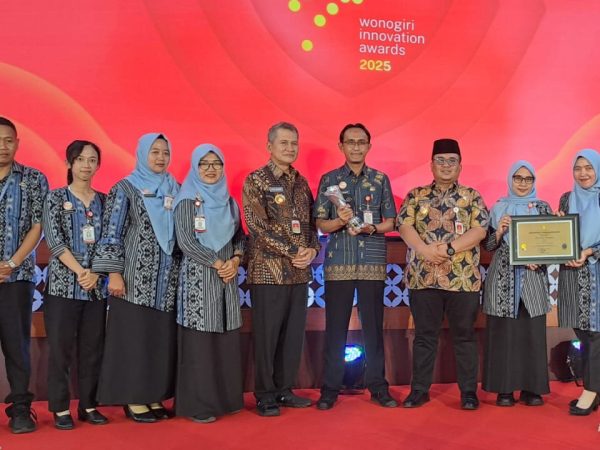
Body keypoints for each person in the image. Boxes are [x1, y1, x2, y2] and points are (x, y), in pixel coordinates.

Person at [93, 133, 180, 423]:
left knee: (159, 340)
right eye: (154, 152)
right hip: (133, 280)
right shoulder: (125, 188)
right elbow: (111, 233)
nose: (160, 157)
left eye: (165, 152)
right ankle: (134, 398)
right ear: (142, 154)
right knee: (134, 340)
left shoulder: (176, 188)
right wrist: (114, 273)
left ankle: (153, 395)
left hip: (167, 282)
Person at [397, 138, 488, 410]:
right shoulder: (416, 195)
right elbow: (404, 226)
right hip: (423, 278)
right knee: (424, 336)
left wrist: (449, 249)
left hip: (463, 278)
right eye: (441, 160)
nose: (446, 165)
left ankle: (468, 392)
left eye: (452, 161)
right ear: (431, 165)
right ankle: (419, 390)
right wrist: (424, 250)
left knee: (464, 336)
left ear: (460, 166)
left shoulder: (472, 196)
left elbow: (480, 230)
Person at [313, 123, 397, 410]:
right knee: (335, 328)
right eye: (350, 142)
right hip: (339, 262)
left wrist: (370, 228)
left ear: (369, 146)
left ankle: (378, 387)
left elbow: (391, 222)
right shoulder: (329, 180)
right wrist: (340, 220)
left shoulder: (380, 179)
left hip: (372, 261)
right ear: (341, 146)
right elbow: (320, 224)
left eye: (361, 142)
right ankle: (330, 389)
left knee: (373, 328)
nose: (356, 147)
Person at [242, 122, 320, 417]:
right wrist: (293, 251)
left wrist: (312, 250)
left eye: (294, 143)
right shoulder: (256, 180)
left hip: (299, 273)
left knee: (292, 336)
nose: (289, 148)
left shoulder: (301, 182)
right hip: (268, 272)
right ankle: (265, 395)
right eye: (284, 143)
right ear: (269, 146)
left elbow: (312, 224)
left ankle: (285, 389)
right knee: (267, 336)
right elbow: (257, 227)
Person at [173, 144, 245, 423]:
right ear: (195, 167)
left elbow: (239, 237)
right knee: (200, 343)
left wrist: (235, 260)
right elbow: (186, 241)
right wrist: (218, 263)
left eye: (216, 163)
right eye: (204, 164)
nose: (211, 169)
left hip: (227, 279)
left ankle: (226, 400)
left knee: (225, 337)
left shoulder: (229, 202)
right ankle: (199, 405)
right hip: (199, 279)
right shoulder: (186, 201)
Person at [42, 140, 109, 429]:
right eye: (80, 159)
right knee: (61, 350)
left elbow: (110, 242)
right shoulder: (55, 198)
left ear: (98, 165)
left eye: (92, 160)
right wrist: (82, 271)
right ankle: (60, 408)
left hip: (97, 288)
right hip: (62, 287)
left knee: (92, 349)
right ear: (69, 163)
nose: (86, 165)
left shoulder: (105, 201)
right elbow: (55, 241)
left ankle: (88, 405)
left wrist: (95, 273)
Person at [482, 161, 552, 407]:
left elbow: (551, 244)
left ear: (534, 181)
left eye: (528, 179)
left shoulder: (542, 207)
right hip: (503, 278)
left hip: (533, 278)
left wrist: (539, 260)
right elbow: (488, 246)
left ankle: (532, 390)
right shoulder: (498, 207)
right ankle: (505, 390)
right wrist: (499, 232)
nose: (523, 183)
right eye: (518, 178)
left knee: (532, 333)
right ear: (510, 179)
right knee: (504, 335)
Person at [0, 117, 48, 433]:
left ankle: (20, 408)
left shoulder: (33, 179)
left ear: (17, 143)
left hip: (16, 277)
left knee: (16, 344)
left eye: (8, 140)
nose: (2, 146)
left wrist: (11, 263)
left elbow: (37, 225)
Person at [557, 149, 600, 415]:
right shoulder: (566, 198)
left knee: (596, 333)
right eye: (578, 168)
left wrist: (590, 251)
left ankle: (591, 390)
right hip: (572, 273)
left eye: (588, 167)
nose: (583, 173)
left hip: (596, 270)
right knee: (582, 330)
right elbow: (561, 234)